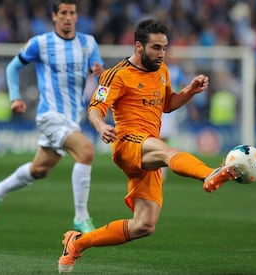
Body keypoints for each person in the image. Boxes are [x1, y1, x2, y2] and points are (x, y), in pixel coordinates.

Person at [58, 18, 242, 273]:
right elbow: (94, 109)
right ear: (139, 46)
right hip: (127, 143)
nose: (161, 53)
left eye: (164, 48)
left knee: (143, 226)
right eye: (156, 47)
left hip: (148, 149)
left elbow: (167, 104)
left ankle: (77, 242)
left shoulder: (162, 70)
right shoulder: (117, 74)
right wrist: (101, 127)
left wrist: (189, 91)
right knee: (169, 153)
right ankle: (209, 174)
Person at [0, 0, 105, 233]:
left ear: (77, 16)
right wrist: (15, 97)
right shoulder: (41, 43)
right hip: (50, 115)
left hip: (72, 119)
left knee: (40, 170)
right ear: (54, 16)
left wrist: (99, 73)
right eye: (63, 13)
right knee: (86, 152)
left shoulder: (89, 43)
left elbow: (98, 75)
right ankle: (81, 217)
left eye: (72, 13)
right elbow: (12, 68)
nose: (68, 17)